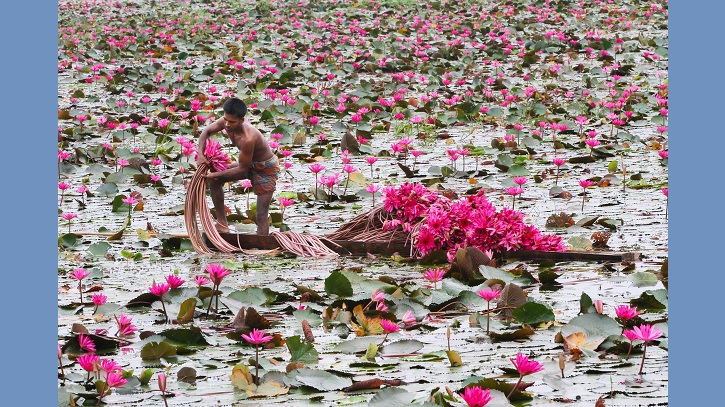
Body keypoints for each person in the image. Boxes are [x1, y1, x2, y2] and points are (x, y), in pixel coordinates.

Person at [196, 98, 279, 235]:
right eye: (225, 119)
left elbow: (242, 169)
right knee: (214, 180)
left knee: (261, 214)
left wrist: (214, 174)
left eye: (232, 122)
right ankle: (222, 223)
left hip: (265, 168)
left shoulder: (248, 138)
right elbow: (206, 132)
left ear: (242, 120)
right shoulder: (226, 122)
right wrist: (200, 155)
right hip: (247, 163)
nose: (227, 125)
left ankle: (262, 245)